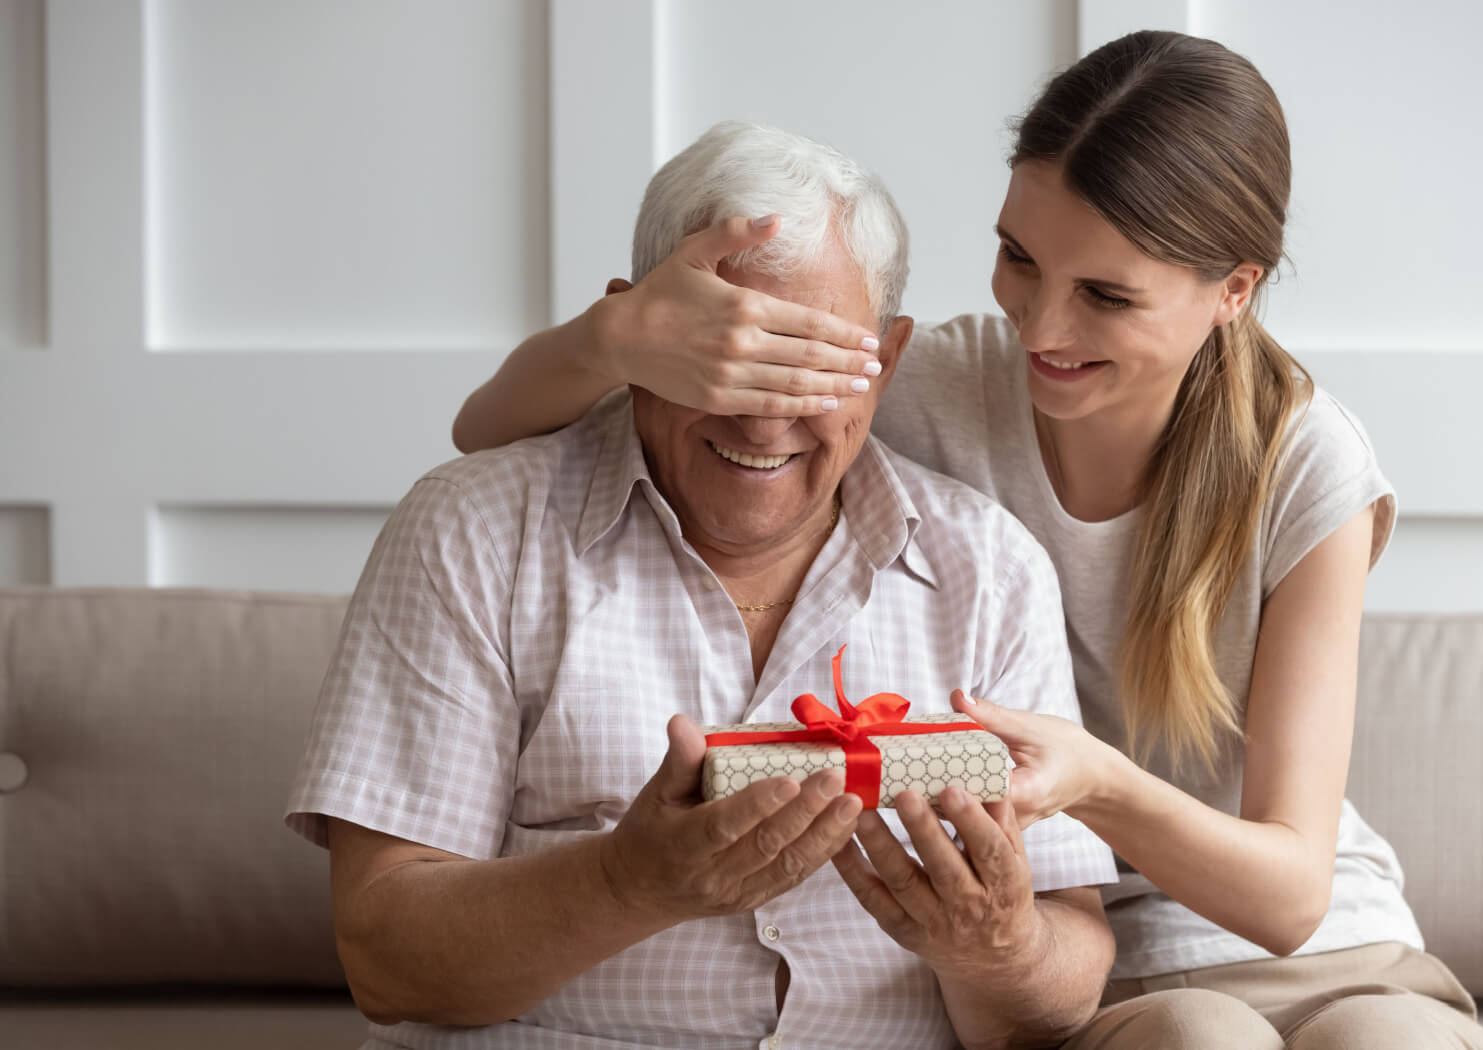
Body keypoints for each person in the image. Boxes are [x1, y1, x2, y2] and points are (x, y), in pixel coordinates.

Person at [449, 30, 1483, 1050]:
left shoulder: (1307, 464)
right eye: (1017, 258)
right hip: (1096, 966)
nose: (1041, 329)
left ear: (1234, 288)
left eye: (1104, 296)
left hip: (1333, 948)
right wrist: (616, 336)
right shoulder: (937, 385)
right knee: (1200, 1038)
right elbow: (491, 440)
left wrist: (1091, 779)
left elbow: (1288, 895)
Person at [286, 120, 1118, 1050]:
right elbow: (384, 961)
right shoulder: (475, 531)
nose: (766, 426)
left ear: (884, 365)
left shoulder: (990, 568)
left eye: (811, 369)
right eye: (726, 361)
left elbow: (1064, 972)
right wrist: (625, 884)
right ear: (630, 334)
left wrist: (1000, 951)